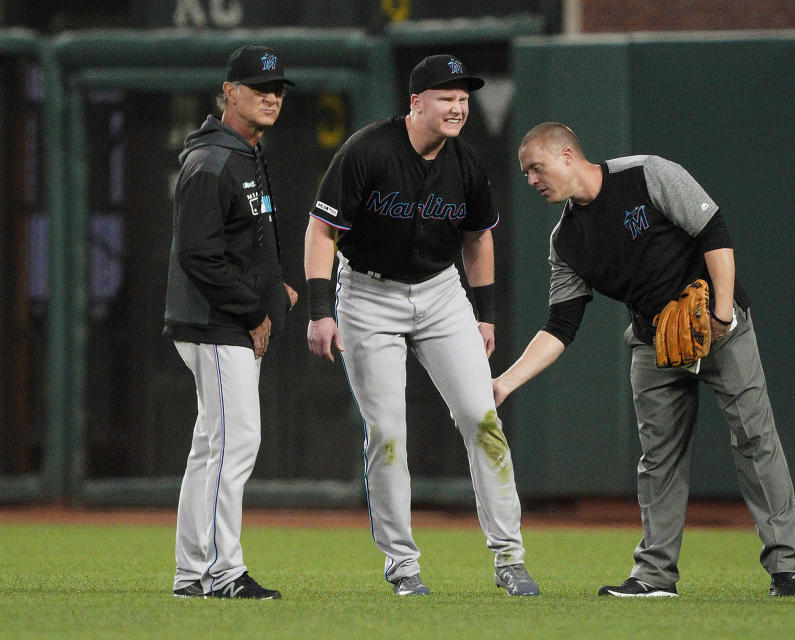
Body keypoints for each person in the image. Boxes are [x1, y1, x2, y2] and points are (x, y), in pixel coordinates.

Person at [495, 122, 795, 598]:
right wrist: (505, 384)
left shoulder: (645, 175)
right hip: (652, 340)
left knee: (755, 438)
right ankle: (655, 575)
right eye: (525, 174)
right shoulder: (566, 243)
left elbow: (713, 231)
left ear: (566, 155)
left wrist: (722, 314)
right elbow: (560, 326)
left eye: (535, 169)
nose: (532, 181)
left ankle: (786, 570)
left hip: (718, 326)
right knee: (658, 460)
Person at [304, 54, 539, 597]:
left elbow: (479, 239)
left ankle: (510, 557)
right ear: (416, 102)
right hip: (367, 292)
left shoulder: (466, 164)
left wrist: (484, 315)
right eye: (446, 97)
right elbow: (322, 231)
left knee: (482, 418)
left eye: (463, 98)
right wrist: (320, 309)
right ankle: (402, 564)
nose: (458, 107)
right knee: (386, 431)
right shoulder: (367, 150)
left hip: (440, 292)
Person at [163, 44, 297, 600]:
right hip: (216, 323)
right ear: (229, 93)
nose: (270, 96)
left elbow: (243, 243)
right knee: (233, 445)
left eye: (277, 89)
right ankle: (223, 572)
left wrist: (273, 289)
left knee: (211, 447)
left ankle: (192, 573)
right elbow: (199, 255)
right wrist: (254, 308)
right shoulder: (211, 161)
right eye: (258, 87)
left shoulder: (244, 152)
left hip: (229, 320)